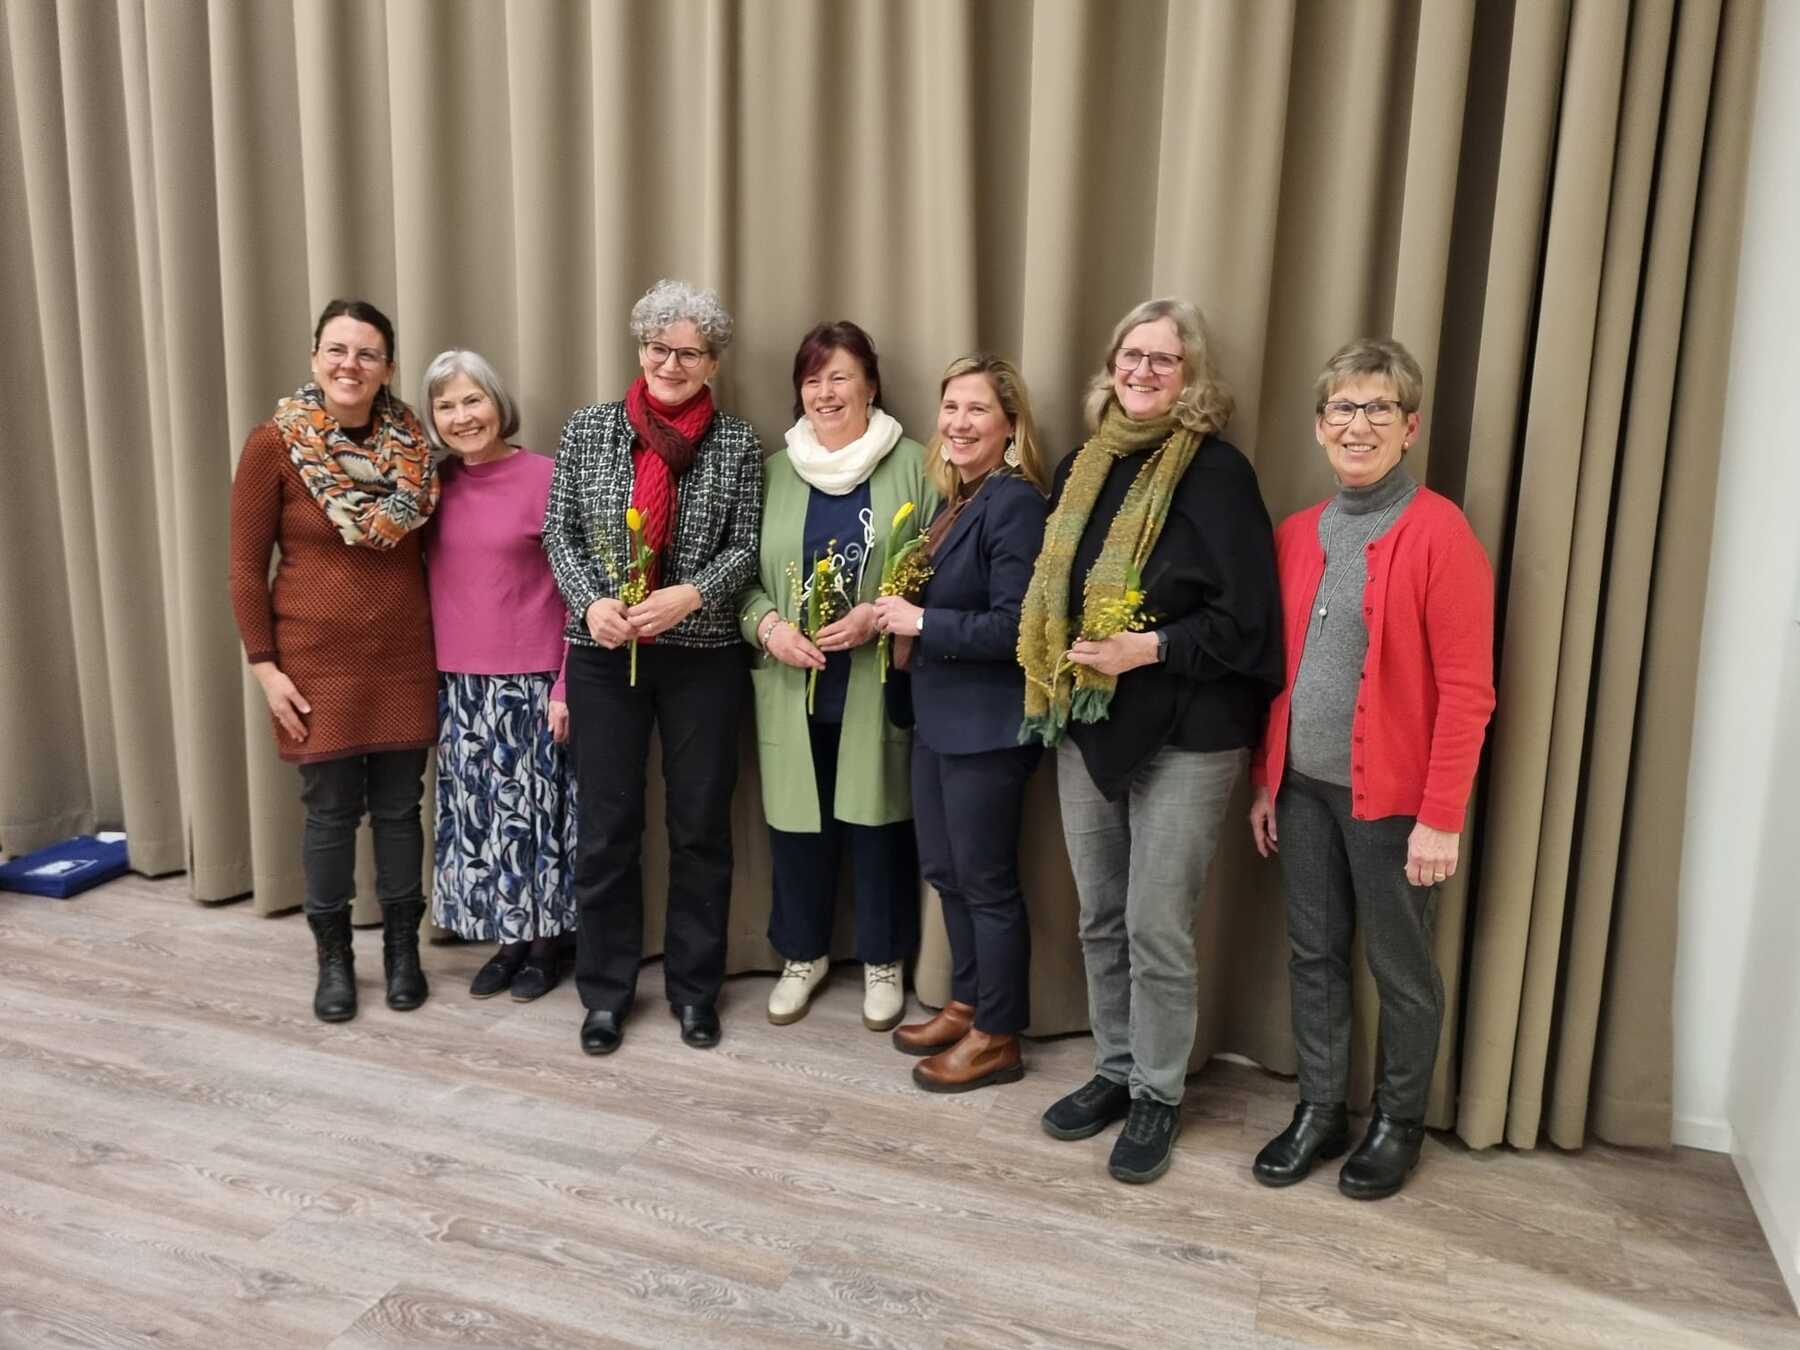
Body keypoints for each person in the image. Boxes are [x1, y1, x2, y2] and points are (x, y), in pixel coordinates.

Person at [1018, 298, 1283, 1184]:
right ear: (1111, 364)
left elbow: (1249, 624)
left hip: (1191, 734)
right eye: (1131, 354)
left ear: (1191, 376)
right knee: (1099, 916)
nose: (1142, 371)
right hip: (1087, 726)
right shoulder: (1082, 466)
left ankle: (1158, 1095)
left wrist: (1151, 647)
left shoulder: (1220, 474)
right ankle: (1116, 1067)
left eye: (1163, 360)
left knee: (1155, 923)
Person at [1248, 337, 1495, 1200]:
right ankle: (1320, 1110)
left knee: (1401, 967)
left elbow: (1468, 692)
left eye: (1379, 408)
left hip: (1392, 804)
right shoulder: (1295, 534)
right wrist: (1267, 781)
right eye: (1343, 409)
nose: (1359, 425)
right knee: (1312, 953)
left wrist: (1441, 817)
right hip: (1303, 793)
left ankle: (1398, 1123)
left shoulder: (1440, 533)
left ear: (1409, 427)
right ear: (1320, 426)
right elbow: (1280, 675)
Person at [544, 279, 762, 1056]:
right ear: (640, 350)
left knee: (699, 827)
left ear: (713, 363)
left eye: (689, 353)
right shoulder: (588, 429)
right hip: (604, 656)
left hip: (703, 660)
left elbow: (746, 545)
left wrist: (692, 594)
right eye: (659, 348)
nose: (671, 364)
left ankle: (695, 991)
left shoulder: (737, 443)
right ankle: (605, 993)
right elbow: (560, 532)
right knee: (607, 830)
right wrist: (590, 604)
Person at [228, 298, 440, 1023]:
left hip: (403, 656)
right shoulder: (274, 444)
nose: (351, 364)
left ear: (388, 368)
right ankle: (335, 960)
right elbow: (244, 568)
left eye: (367, 353)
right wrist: (266, 669)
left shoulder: (416, 449)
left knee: (401, 810)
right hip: (313, 664)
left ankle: (404, 953)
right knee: (329, 814)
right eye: (337, 350)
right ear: (315, 357)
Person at [738, 323, 934, 1033]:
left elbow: (940, 571)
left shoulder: (915, 465)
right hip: (792, 684)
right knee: (797, 829)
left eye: (840, 376)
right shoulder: (772, 471)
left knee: (880, 827)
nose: (825, 392)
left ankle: (883, 959)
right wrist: (769, 627)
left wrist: (876, 616)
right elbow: (740, 578)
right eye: (813, 379)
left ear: (871, 386)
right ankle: (803, 954)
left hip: (876, 684)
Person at [873, 354, 1049, 1092]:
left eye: (978, 409)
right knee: (946, 873)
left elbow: (1015, 628)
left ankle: (998, 1036)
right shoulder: (959, 502)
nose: (959, 422)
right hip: (939, 719)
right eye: (950, 408)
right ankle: (969, 1003)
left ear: (1010, 425)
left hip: (989, 728)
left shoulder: (1015, 503)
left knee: (986, 883)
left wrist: (920, 620)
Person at [420, 349, 576, 1003]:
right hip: (459, 684)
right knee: (484, 824)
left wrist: (565, 685)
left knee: (537, 823)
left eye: (472, 400)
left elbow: (579, 590)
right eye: (446, 406)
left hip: (533, 681)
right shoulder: (429, 487)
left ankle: (547, 946)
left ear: (497, 403)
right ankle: (509, 941)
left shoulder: (547, 477)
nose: (462, 417)